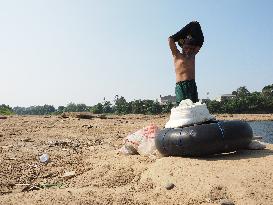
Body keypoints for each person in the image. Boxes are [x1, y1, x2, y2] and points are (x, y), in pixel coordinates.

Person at [168, 21, 204, 105]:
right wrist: (186, 29)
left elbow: (200, 42)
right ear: (182, 46)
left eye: (191, 48)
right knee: (182, 108)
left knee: (194, 108)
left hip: (192, 85)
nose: (189, 50)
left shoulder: (192, 55)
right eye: (187, 47)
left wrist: (194, 25)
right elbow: (170, 39)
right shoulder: (177, 55)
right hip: (181, 86)